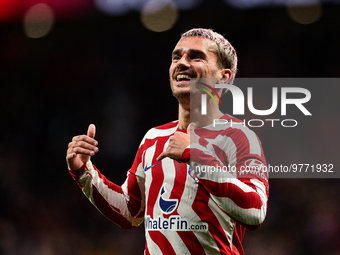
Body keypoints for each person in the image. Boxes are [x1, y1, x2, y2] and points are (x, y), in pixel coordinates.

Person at [66, 28, 268, 255]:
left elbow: (256, 211)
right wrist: (84, 172)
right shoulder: (153, 138)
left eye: (195, 56)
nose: (182, 63)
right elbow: (131, 212)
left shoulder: (238, 137)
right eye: (176, 57)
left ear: (224, 76)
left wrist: (194, 154)